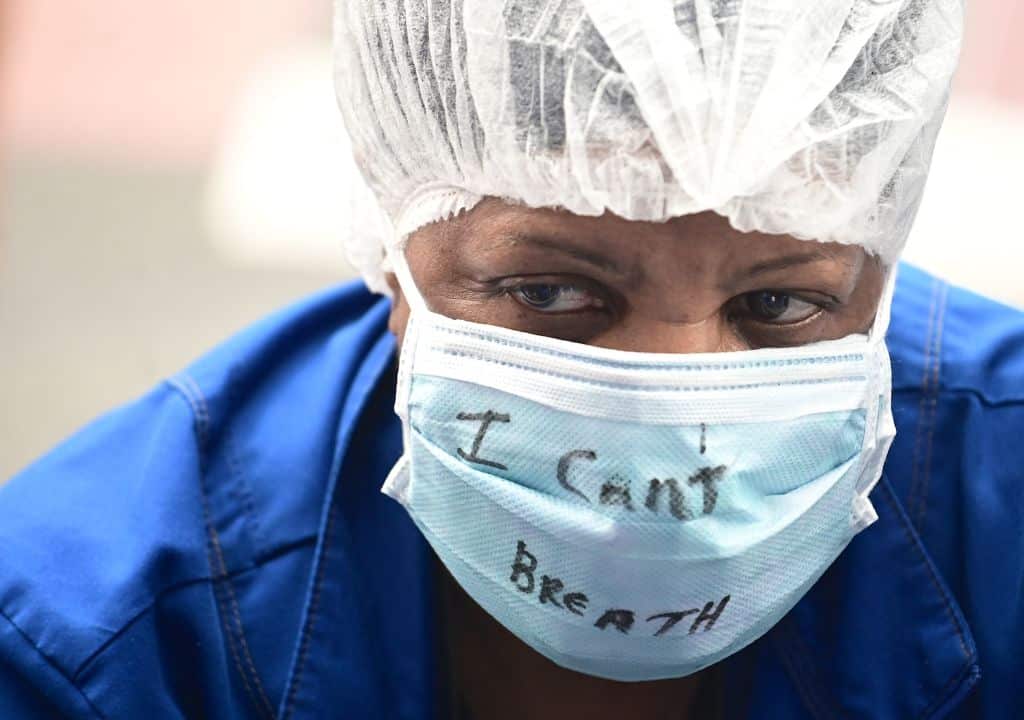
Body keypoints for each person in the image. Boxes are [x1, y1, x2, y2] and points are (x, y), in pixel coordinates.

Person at [1, 1, 1021, 718]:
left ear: (876, 267)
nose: (670, 428)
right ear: (392, 248)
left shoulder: (1002, 502)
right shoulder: (96, 645)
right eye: (551, 296)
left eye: (779, 302)